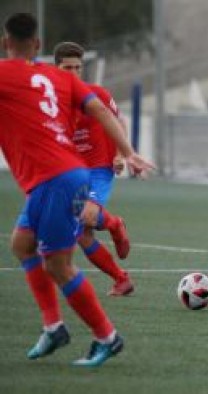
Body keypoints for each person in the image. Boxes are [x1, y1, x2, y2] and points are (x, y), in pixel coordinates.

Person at [0, 13, 153, 366]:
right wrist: (129, 153)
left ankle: (107, 337)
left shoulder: (6, 74)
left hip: (55, 177)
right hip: (61, 175)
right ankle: (54, 326)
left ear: (6, 44)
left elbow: (100, 107)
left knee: (58, 264)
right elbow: (99, 108)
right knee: (22, 245)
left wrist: (119, 155)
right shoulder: (59, 79)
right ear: (37, 47)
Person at [54, 41, 133, 297]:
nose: (73, 73)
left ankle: (113, 224)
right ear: (55, 69)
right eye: (67, 68)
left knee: (86, 216)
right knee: (82, 234)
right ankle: (121, 279)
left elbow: (119, 122)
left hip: (100, 169)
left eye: (78, 67)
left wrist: (121, 154)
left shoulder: (97, 94)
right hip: (71, 173)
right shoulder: (51, 103)